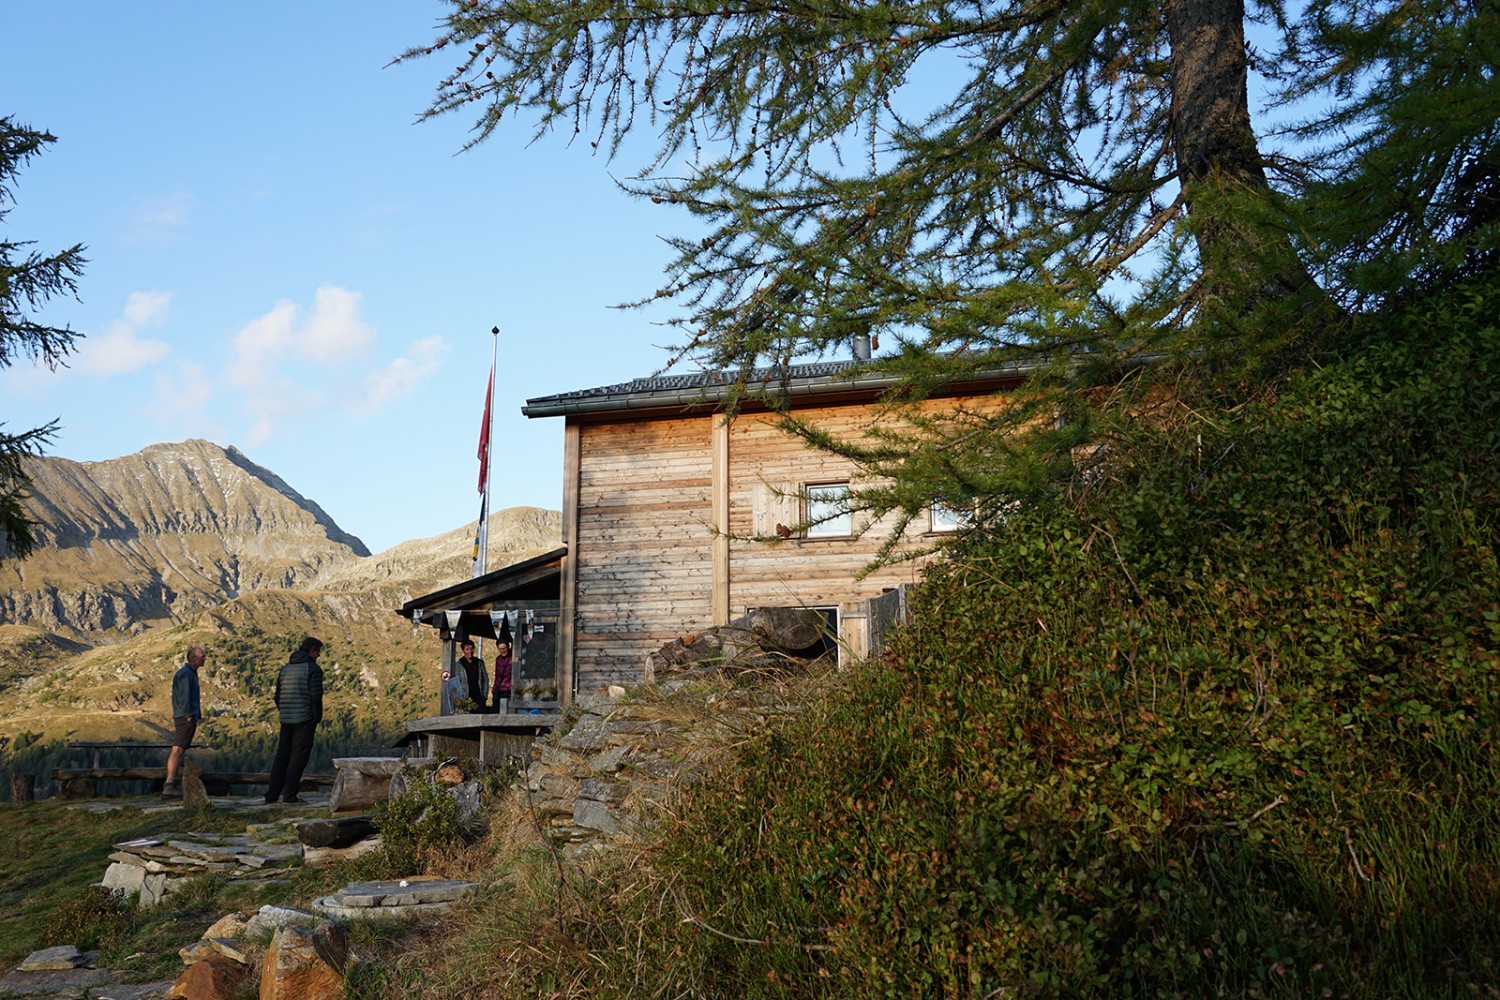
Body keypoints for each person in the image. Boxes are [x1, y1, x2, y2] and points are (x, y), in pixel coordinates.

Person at [264, 636, 324, 805]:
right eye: (317, 651)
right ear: (311, 651)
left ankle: (271, 795)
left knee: (282, 756)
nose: (318, 655)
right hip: (304, 719)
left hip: (286, 718)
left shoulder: (285, 669)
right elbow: (315, 696)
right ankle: (289, 795)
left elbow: (277, 696)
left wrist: (286, 711)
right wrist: (316, 718)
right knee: (298, 757)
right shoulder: (312, 669)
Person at [163, 645, 205, 798]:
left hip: (184, 715)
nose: (204, 659)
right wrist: (189, 714)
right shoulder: (187, 674)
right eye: (202, 657)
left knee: (179, 749)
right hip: (185, 717)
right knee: (178, 749)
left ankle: (171, 784)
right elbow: (185, 696)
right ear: (193, 658)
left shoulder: (188, 673)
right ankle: (170, 785)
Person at [455, 639, 489, 713]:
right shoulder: (459, 665)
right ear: (463, 650)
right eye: (467, 649)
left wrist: (485, 696)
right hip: (465, 699)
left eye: (471, 649)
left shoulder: (479, 663)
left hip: (479, 698)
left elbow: (485, 679)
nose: (470, 651)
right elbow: (456, 682)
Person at [490, 639, 513, 713]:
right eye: (500, 649)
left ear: (508, 647)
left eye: (504, 648)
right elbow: (497, 676)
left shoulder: (513, 658)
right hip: (498, 690)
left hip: (508, 690)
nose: (503, 651)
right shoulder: (498, 659)